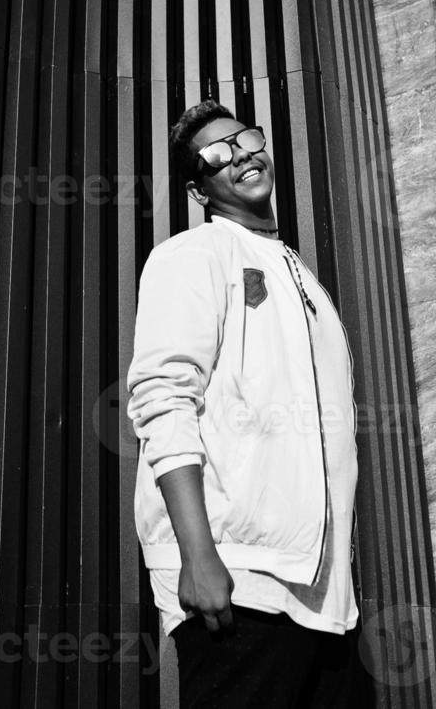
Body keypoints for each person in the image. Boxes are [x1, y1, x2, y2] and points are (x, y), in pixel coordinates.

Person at [126, 100, 371, 708]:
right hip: (241, 579)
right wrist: (199, 558)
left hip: (323, 597)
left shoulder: (299, 274)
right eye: (217, 153)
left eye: (246, 138)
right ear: (197, 187)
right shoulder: (194, 255)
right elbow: (162, 399)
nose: (240, 155)